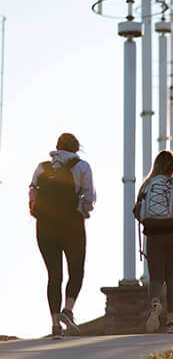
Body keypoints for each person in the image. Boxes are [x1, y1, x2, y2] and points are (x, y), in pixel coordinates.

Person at [29, 133, 96, 339]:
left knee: (54, 275)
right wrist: (82, 212)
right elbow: (89, 196)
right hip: (72, 225)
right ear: (76, 148)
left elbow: (32, 194)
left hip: (45, 226)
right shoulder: (82, 166)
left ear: (57, 148)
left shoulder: (42, 168)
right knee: (76, 270)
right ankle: (68, 310)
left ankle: (55, 325)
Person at [135, 150, 173, 334]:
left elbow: (137, 211)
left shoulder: (146, 186)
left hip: (154, 237)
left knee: (155, 277)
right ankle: (171, 323)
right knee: (171, 279)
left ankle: (155, 302)